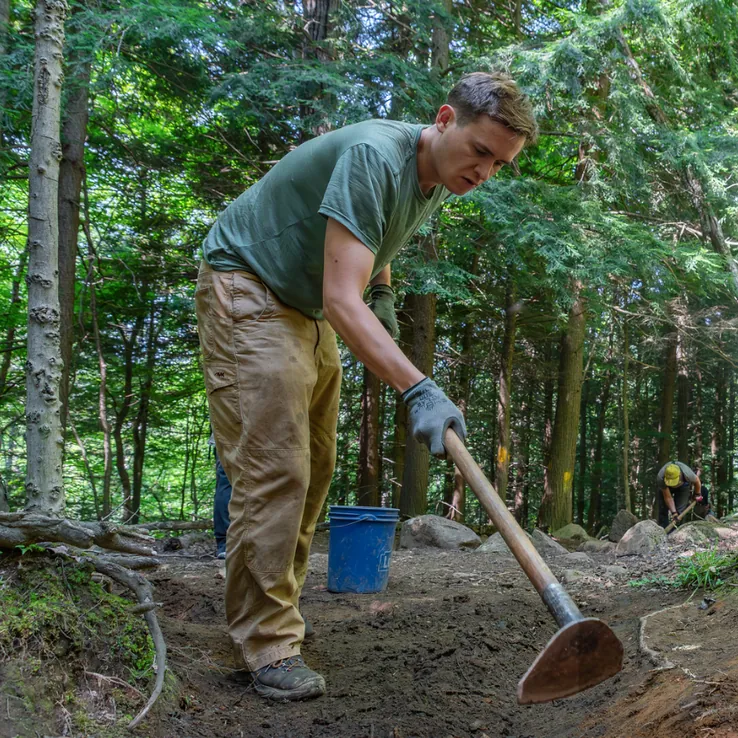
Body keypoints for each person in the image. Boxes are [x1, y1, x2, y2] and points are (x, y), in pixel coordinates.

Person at [195, 72, 536, 702]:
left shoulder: (432, 176)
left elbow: (374, 239)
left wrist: (380, 288)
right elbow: (339, 299)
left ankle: (276, 624)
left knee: (315, 468)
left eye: (500, 164)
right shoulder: (374, 156)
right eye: (481, 151)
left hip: (302, 308)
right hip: (249, 284)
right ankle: (266, 643)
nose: (486, 171)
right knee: (277, 469)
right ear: (443, 120)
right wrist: (419, 388)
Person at [655, 461, 715, 528]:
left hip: (683, 486)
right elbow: (668, 497)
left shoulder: (687, 474)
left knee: (680, 511)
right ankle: (664, 529)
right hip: (666, 487)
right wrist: (673, 513)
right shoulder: (661, 478)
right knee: (663, 509)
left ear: (680, 474)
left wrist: (697, 494)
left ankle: (678, 530)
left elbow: (697, 481)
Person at [211, 434, 231, 560]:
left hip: (222, 432)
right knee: (227, 481)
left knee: (225, 480)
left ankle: (225, 544)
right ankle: (229, 543)